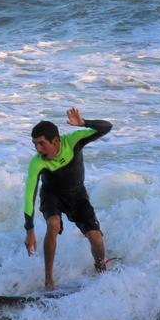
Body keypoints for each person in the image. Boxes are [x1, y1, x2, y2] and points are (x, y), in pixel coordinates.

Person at [23, 108, 113, 290]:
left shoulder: (73, 141)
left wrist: (84, 123)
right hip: (52, 195)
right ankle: (49, 281)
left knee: (96, 238)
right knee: (53, 224)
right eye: (35, 144)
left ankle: (101, 269)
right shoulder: (37, 162)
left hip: (77, 195)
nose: (38, 149)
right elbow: (29, 194)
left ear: (55, 141)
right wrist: (30, 229)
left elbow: (107, 127)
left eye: (41, 144)